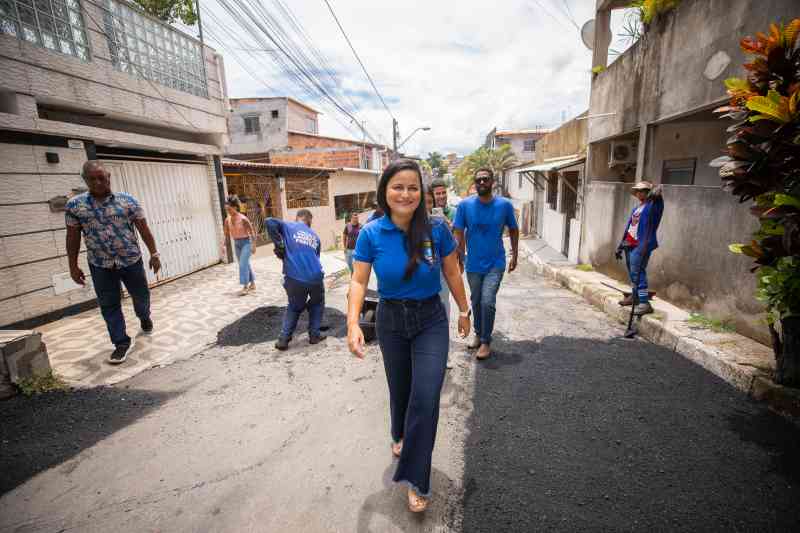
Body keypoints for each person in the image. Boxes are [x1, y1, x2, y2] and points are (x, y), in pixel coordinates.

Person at [347, 159, 471, 513]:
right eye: (397, 187)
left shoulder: (437, 228)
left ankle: (418, 479)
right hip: (391, 320)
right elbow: (358, 280)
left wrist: (464, 310)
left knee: (426, 397)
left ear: (423, 193)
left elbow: (451, 269)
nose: (405, 193)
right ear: (385, 192)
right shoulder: (371, 233)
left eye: (413, 187)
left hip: (430, 318)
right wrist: (354, 322)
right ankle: (399, 435)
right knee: (400, 390)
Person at [65, 160, 162, 365]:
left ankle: (144, 316)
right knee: (109, 304)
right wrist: (72, 265)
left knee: (141, 296)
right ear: (85, 180)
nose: (99, 182)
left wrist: (154, 253)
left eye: (102, 177)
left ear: (109, 177)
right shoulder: (75, 206)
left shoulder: (128, 201)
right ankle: (120, 343)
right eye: (93, 179)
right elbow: (72, 237)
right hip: (100, 264)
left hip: (130, 261)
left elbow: (144, 229)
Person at [453, 167, 519, 360]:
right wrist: (461, 255)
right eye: (479, 180)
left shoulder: (504, 205)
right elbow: (458, 230)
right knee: (476, 300)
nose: (482, 183)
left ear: (492, 182)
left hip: (495, 262)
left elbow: (514, 230)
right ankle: (478, 333)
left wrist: (515, 256)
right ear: (475, 183)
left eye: (486, 179)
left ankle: (486, 342)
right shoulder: (465, 206)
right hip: (473, 263)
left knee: (487, 300)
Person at [266, 210, 326, 351]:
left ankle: (283, 339)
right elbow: (316, 258)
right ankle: (314, 335)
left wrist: (279, 244)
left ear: (297, 218)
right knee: (317, 302)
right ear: (309, 221)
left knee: (294, 306)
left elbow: (269, 221)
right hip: (315, 277)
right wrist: (281, 245)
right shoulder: (315, 237)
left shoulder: (288, 226)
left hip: (294, 277)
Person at [615, 181, 664, 316]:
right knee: (633, 273)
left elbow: (659, 199)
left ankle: (644, 303)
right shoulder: (637, 208)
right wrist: (620, 246)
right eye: (637, 191)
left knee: (638, 272)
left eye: (642, 190)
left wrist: (657, 195)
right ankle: (635, 296)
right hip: (629, 244)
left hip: (641, 245)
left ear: (648, 192)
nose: (639, 193)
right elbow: (630, 228)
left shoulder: (653, 206)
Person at [223, 195, 257, 296]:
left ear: (235, 207)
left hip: (246, 243)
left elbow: (252, 232)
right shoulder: (227, 220)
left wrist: (254, 245)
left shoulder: (243, 219)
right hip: (237, 244)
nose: (228, 211)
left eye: (229, 209)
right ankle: (253, 284)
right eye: (226, 209)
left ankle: (245, 287)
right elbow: (226, 235)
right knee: (245, 263)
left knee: (242, 264)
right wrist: (224, 245)